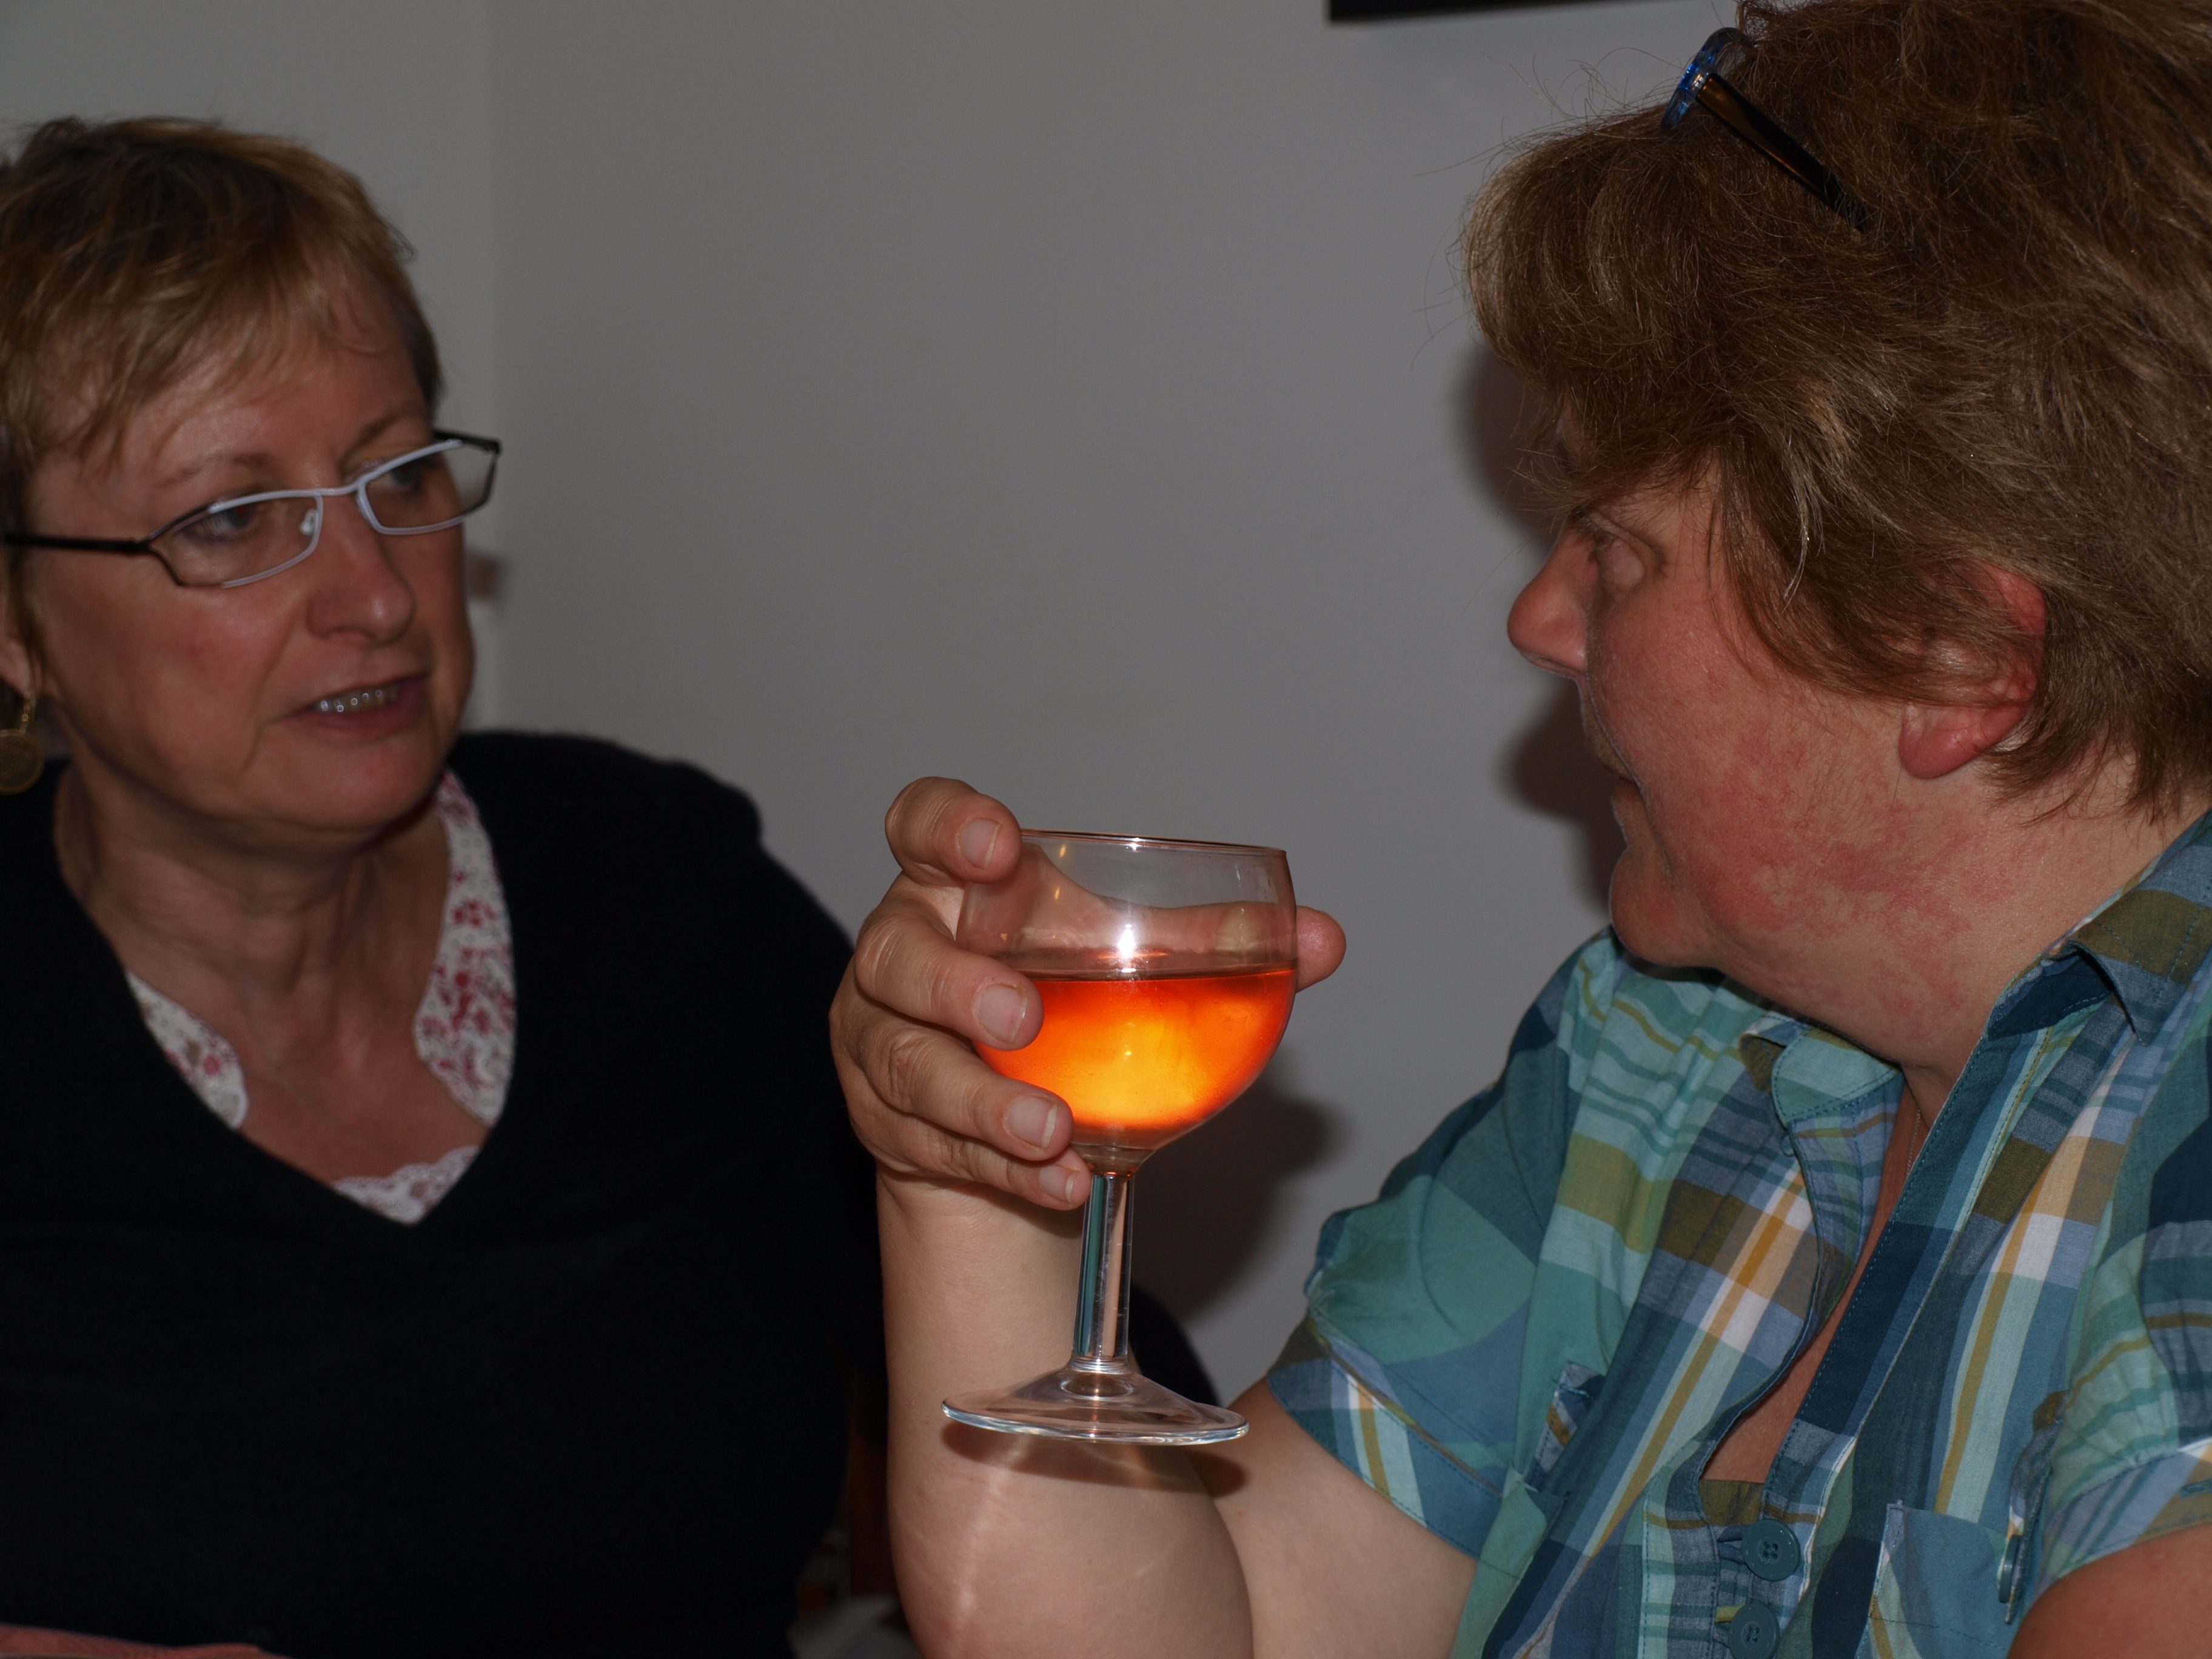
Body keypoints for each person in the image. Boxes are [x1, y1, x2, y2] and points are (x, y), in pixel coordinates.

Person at [829, 1, 2212, 1654]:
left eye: (1615, 549)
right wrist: (971, 1171)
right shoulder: (1659, 1049)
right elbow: (1219, 1627)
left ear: (1956, 651)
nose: (1542, 621)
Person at [0, 118, 882, 1657]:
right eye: (231, 518)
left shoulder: (660, 888)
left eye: (397, 476)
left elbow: (1091, 1411)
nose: (374, 594)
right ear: (16, 631)